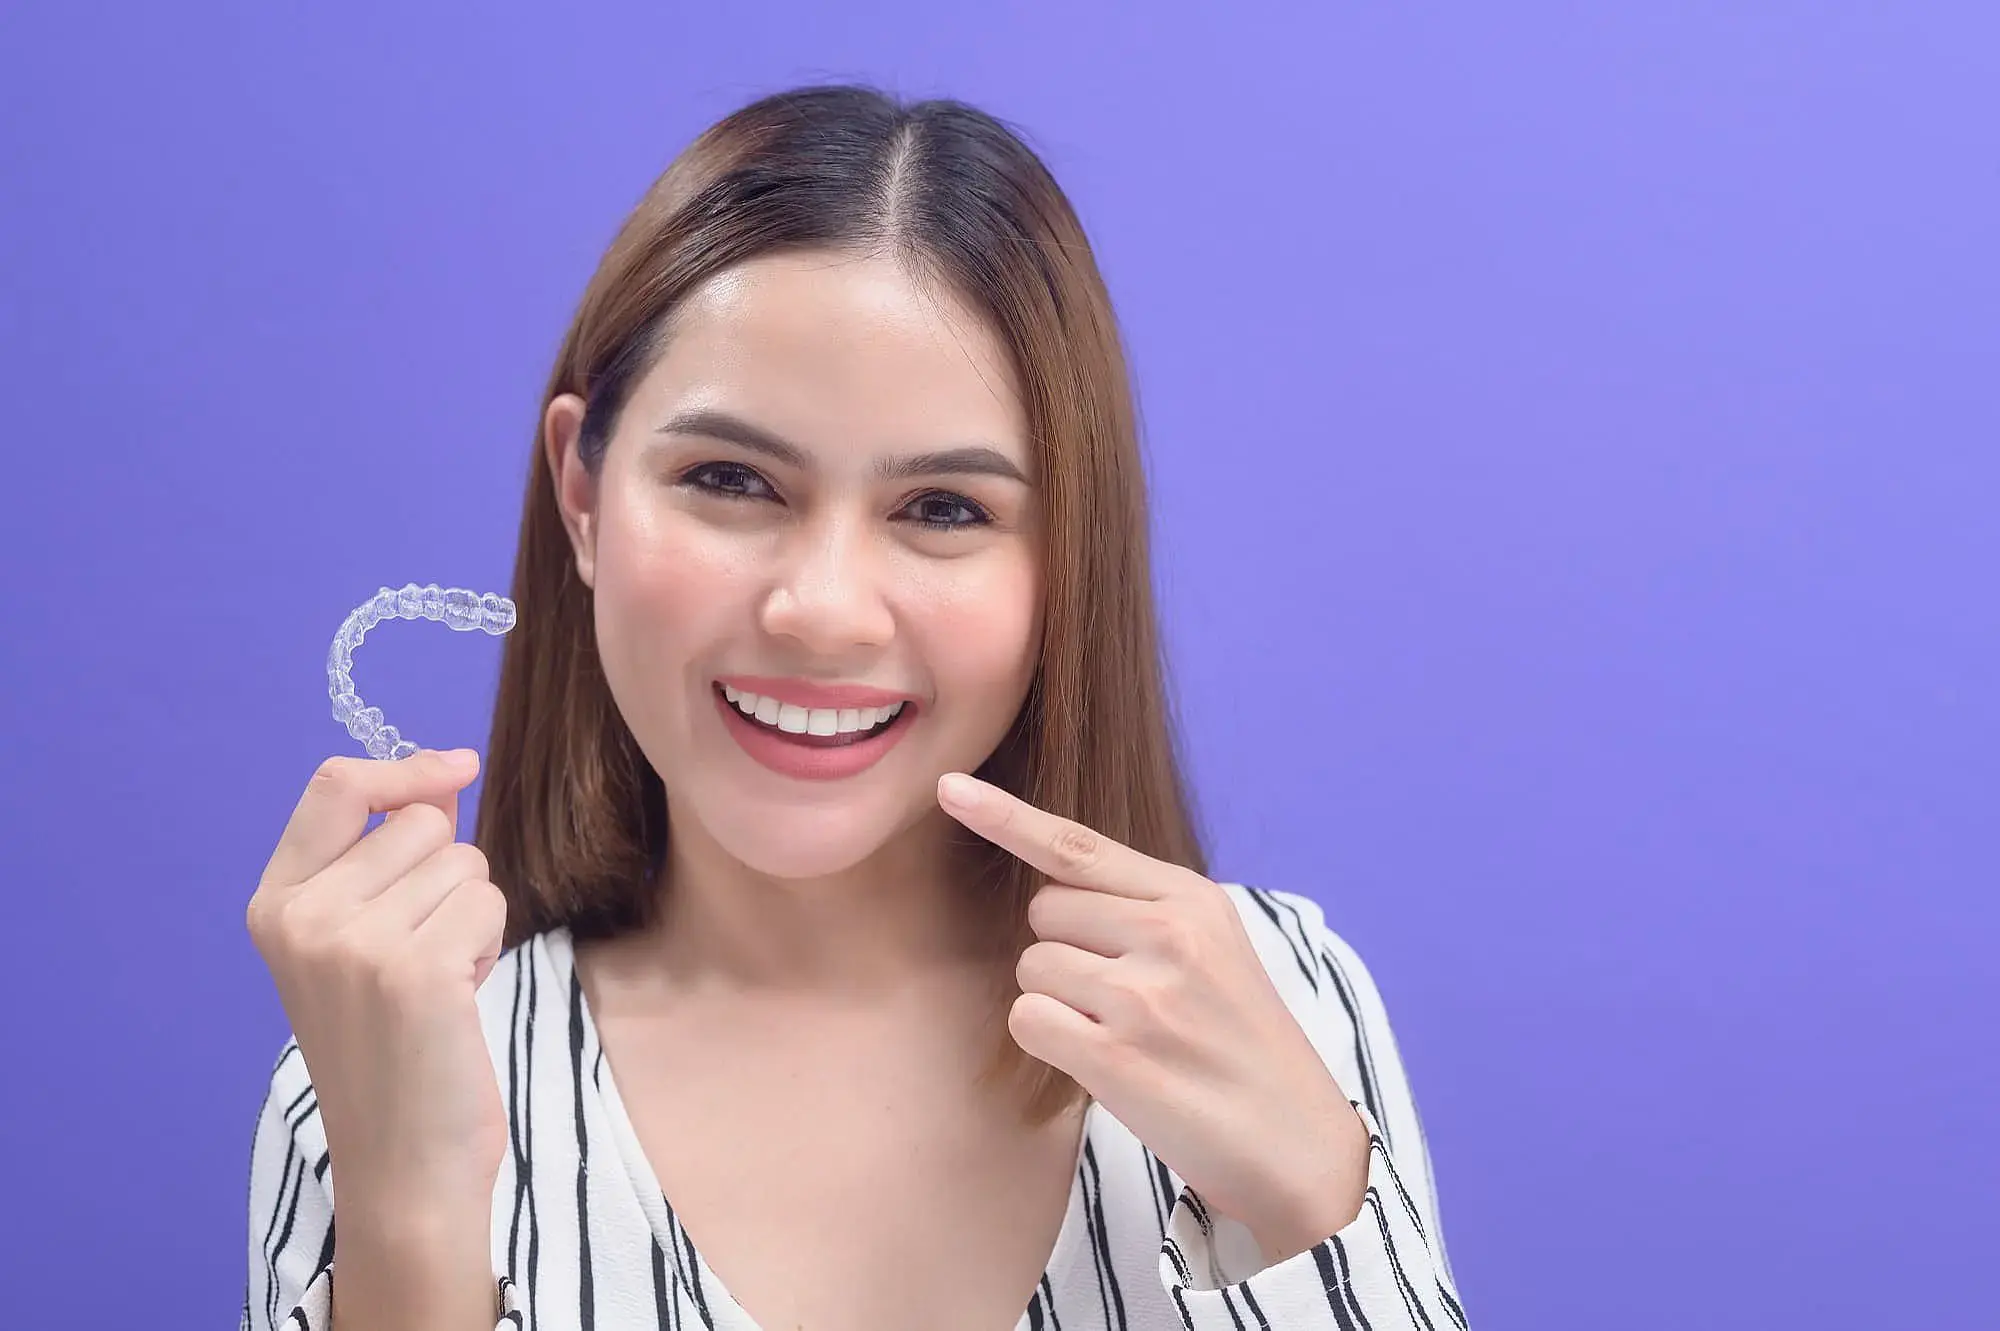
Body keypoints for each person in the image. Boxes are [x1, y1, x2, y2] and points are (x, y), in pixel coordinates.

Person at [241, 85, 1470, 1331]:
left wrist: (1314, 1196)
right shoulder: (372, 1078)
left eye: (944, 508)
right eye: (729, 479)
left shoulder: (1280, 997)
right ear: (582, 493)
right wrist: (405, 1210)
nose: (822, 610)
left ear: (1069, 558)